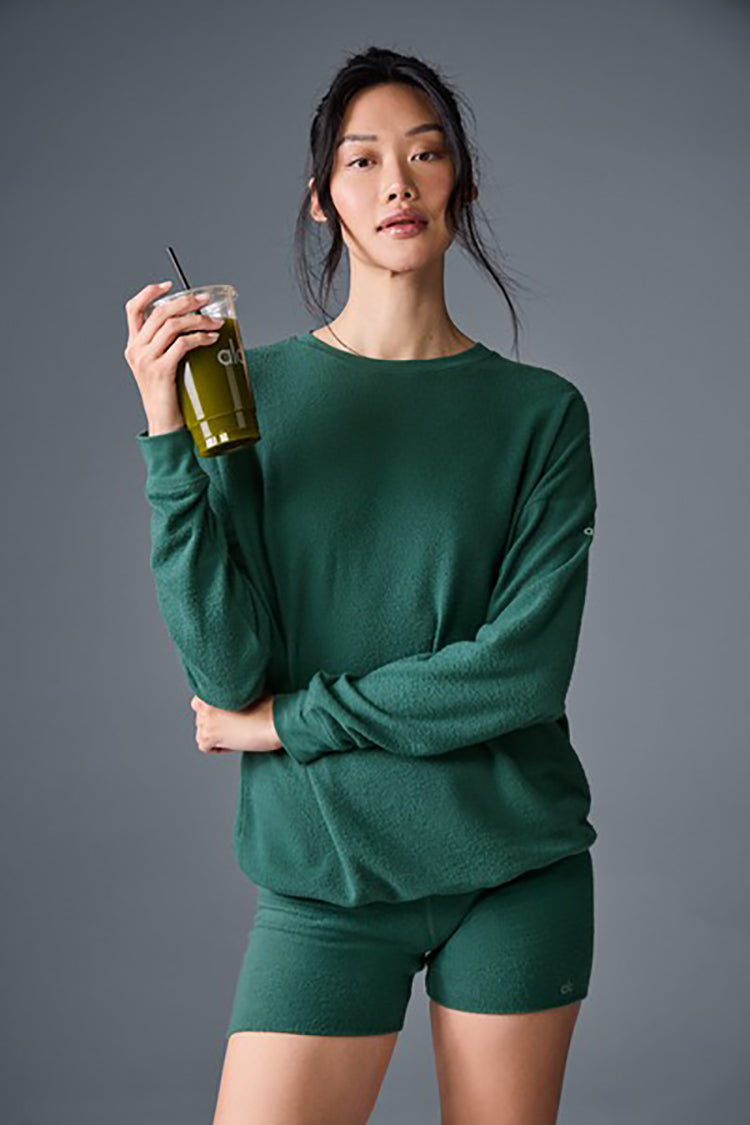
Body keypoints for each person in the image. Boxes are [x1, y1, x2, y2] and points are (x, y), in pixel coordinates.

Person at [124, 45, 599, 1125]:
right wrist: (165, 436)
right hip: (323, 871)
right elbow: (226, 672)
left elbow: (518, 676)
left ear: (459, 182)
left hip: (512, 863)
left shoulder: (540, 414)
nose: (397, 183)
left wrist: (288, 722)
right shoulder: (247, 395)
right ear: (322, 199)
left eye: (425, 154)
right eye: (363, 160)